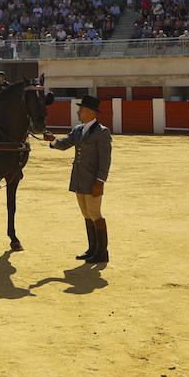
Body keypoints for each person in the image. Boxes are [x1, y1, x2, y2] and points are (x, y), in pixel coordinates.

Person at [44, 94, 113, 264]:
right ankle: (92, 249)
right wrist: (53, 140)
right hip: (79, 179)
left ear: (90, 112)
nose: (78, 113)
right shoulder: (78, 130)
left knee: (95, 214)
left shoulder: (102, 132)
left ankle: (102, 252)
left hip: (93, 180)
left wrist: (100, 181)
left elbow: (105, 159)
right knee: (86, 214)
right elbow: (64, 144)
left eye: (81, 110)